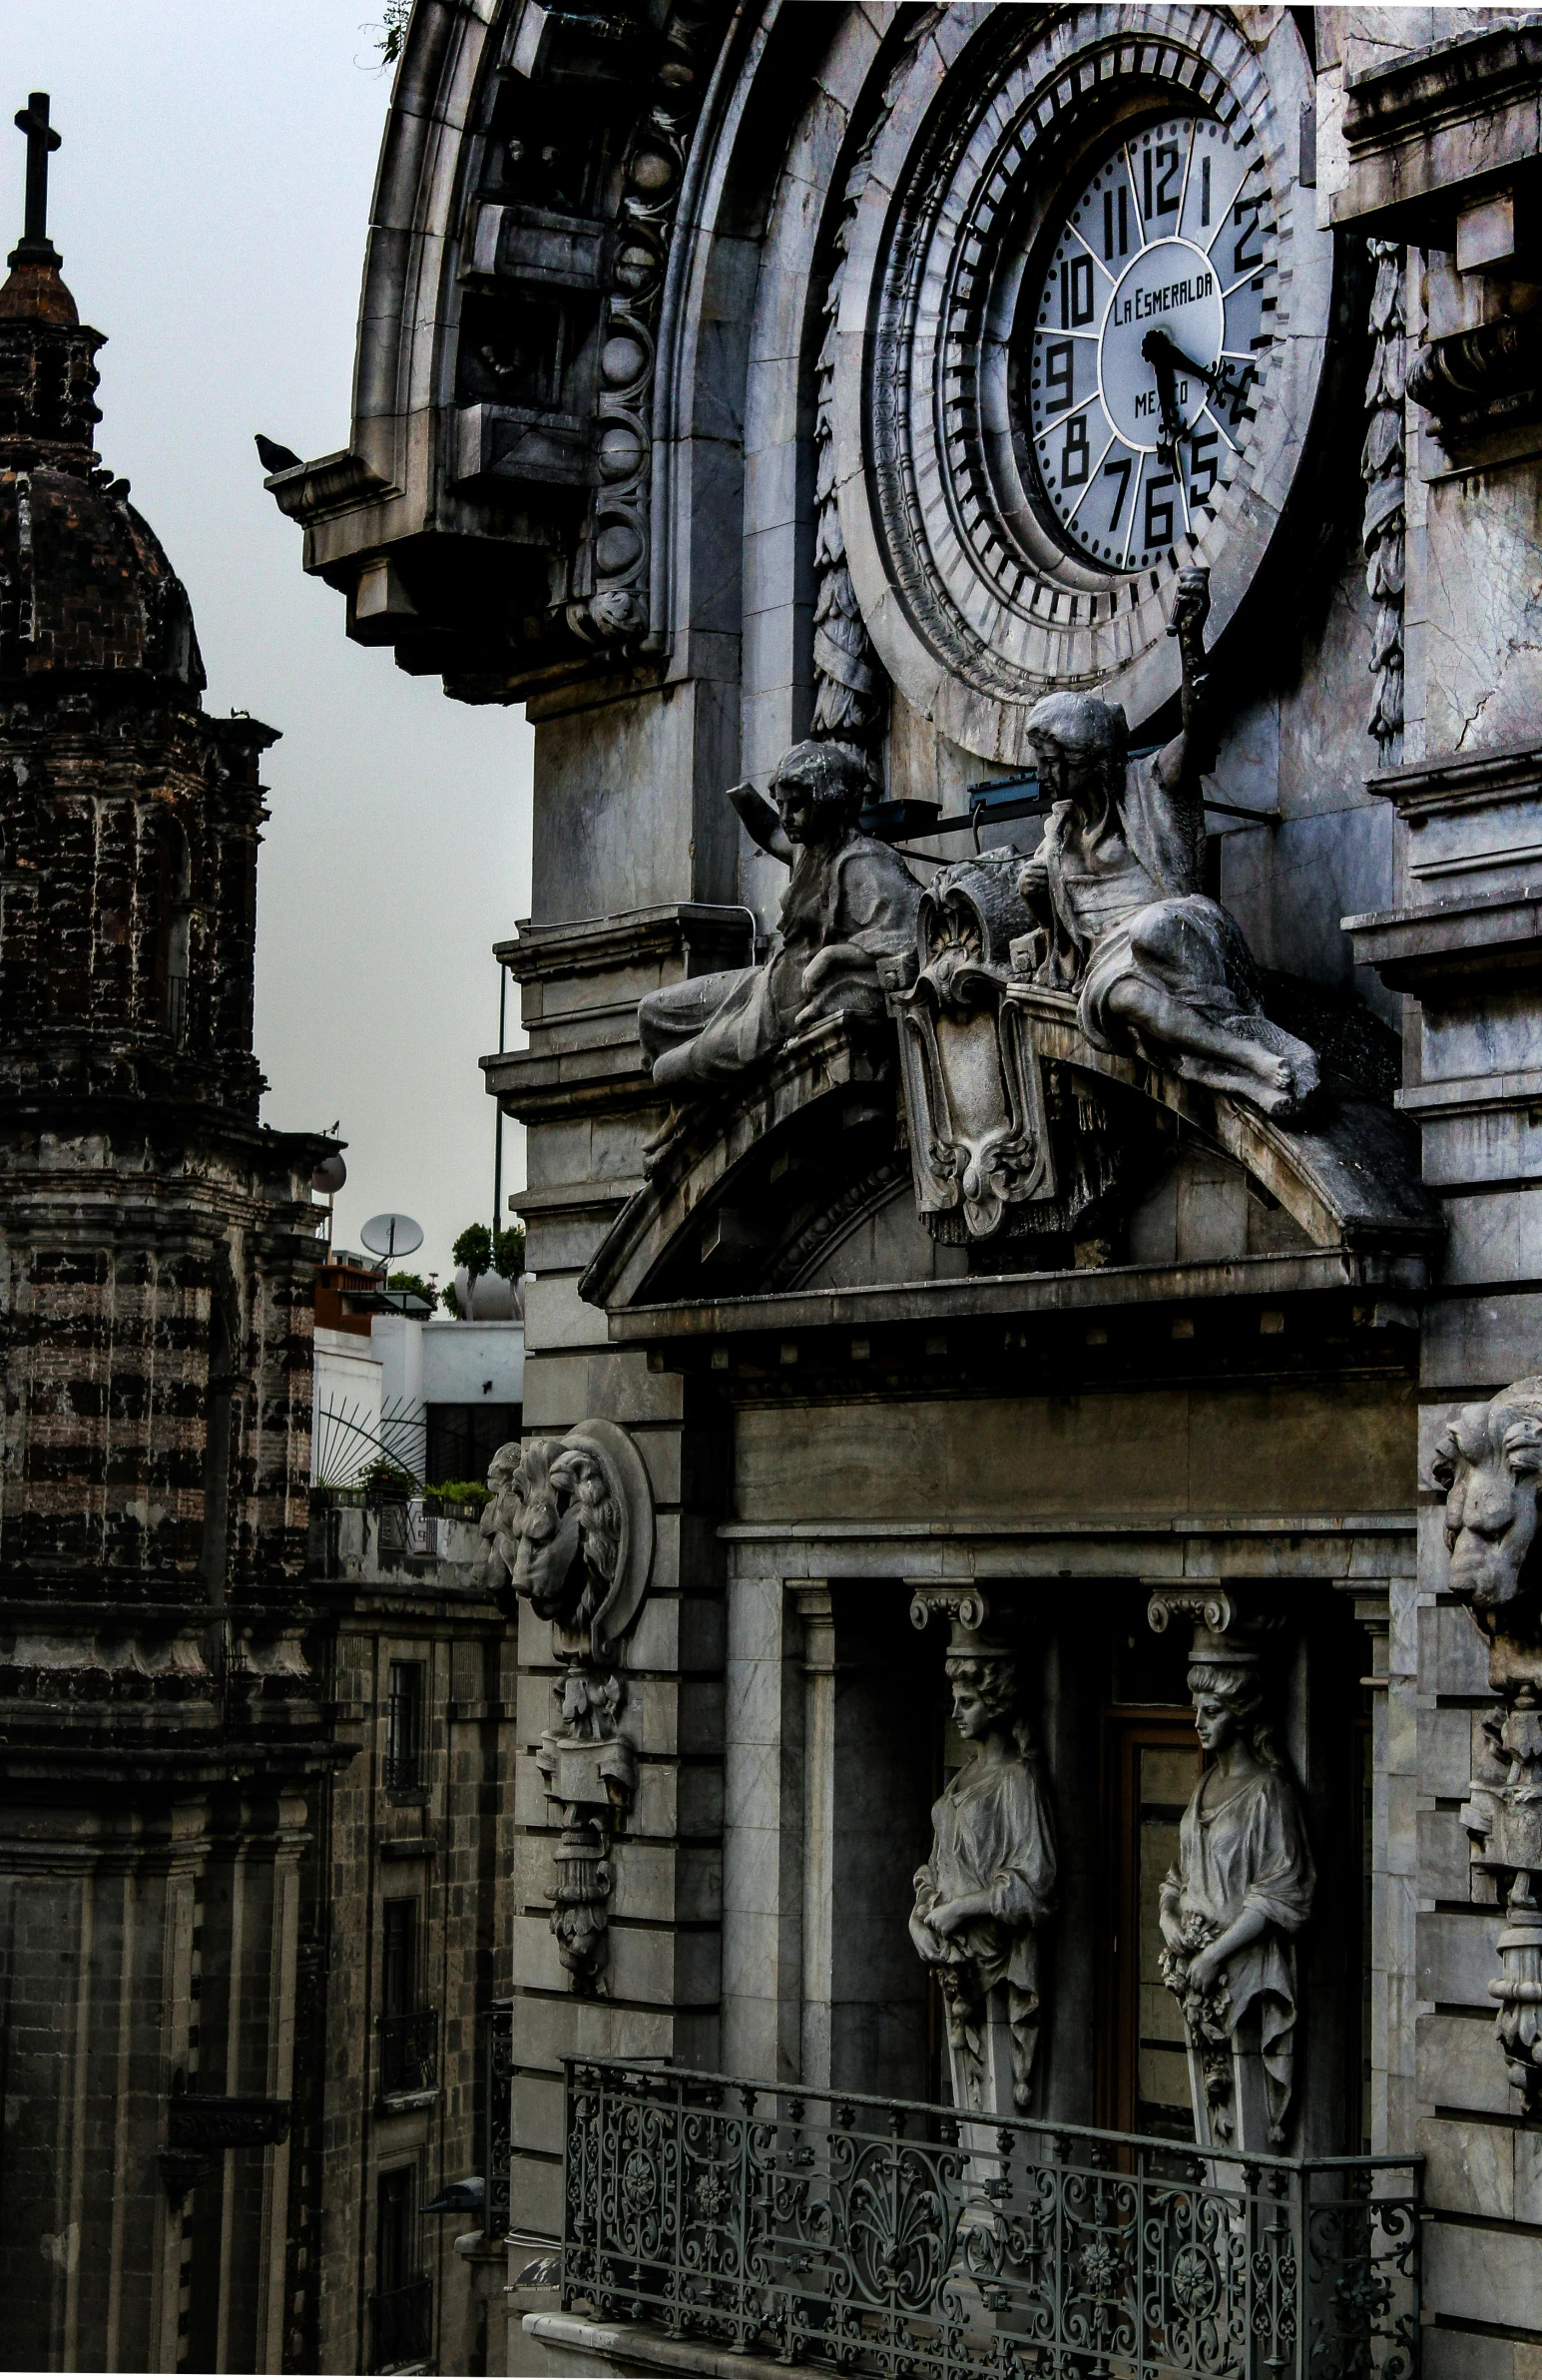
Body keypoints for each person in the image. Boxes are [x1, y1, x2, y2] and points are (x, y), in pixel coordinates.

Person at [1015, 571, 1318, 1120]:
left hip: (1183, 930)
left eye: (1053, 763)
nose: (1044, 777)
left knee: (1151, 929)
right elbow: (1060, 944)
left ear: (1090, 760)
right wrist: (1036, 894)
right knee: (1117, 996)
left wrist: (1190, 640)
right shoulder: (1057, 837)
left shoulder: (1151, 782)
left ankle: (1251, 1056)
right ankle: (1249, 1063)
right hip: (1114, 967)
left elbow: (1200, 732)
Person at [637, 740, 920, 1099]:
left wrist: (834, 956)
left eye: (796, 806)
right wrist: (740, 792)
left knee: (666, 1071)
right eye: (781, 805)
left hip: (782, 1010)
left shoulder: (862, 864)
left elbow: (912, 939)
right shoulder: (808, 848)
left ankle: (686, 1129)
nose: (786, 817)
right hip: (766, 981)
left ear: (828, 803)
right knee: (652, 1012)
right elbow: (771, 832)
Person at [1160, 1649, 1315, 2146]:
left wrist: (1216, 1953)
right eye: (1197, 1709)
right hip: (1195, 1974)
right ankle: (1225, 2219)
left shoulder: (1269, 1792)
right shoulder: (1204, 1784)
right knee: (1213, 2106)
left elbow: (1282, 1892)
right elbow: (1176, 1875)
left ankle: (1246, 2219)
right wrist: (1167, 1917)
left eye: (1213, 1711)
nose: (1199, 1722)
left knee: (1245, 2112)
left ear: (1241, 1716)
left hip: (1244, 1973)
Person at [910, 1642, 1057, 2113]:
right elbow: (933, 1867)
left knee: (995, 2097)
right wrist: (921, 1919)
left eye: (967, 1701)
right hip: (953, 1957)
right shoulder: (964, 1775)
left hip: (995, 1959)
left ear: (996, 1703)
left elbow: (1035, 1884)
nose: (955, 1712)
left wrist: (959, 1909)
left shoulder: (1017, 1779)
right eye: (954, 1700)